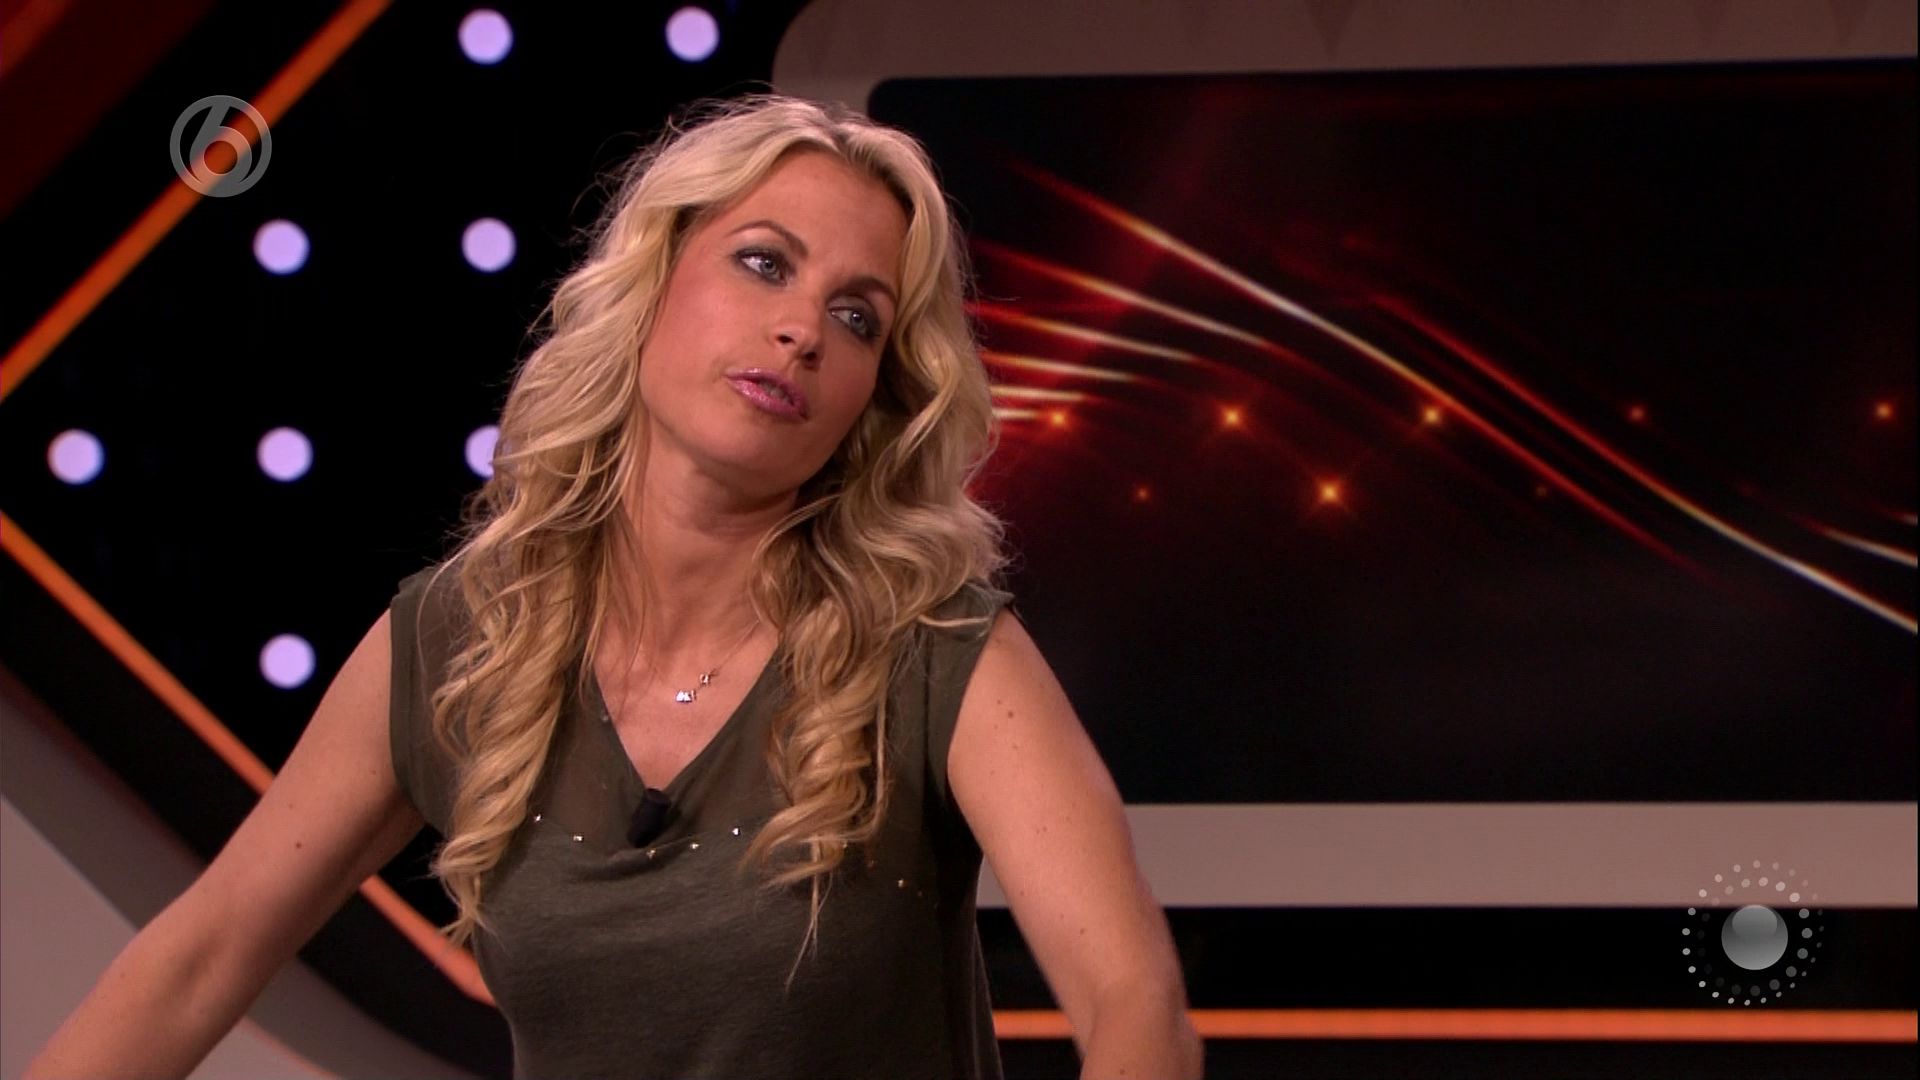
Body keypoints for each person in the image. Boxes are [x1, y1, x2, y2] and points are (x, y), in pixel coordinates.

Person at [26, 94, 1202, 1079]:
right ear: (653, 279)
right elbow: (198, 962)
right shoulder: (460, 639)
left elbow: (1133, 1003)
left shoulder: (934, 646)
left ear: (872, 399)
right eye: (763, 264)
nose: (803, 331)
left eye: (857, 318)